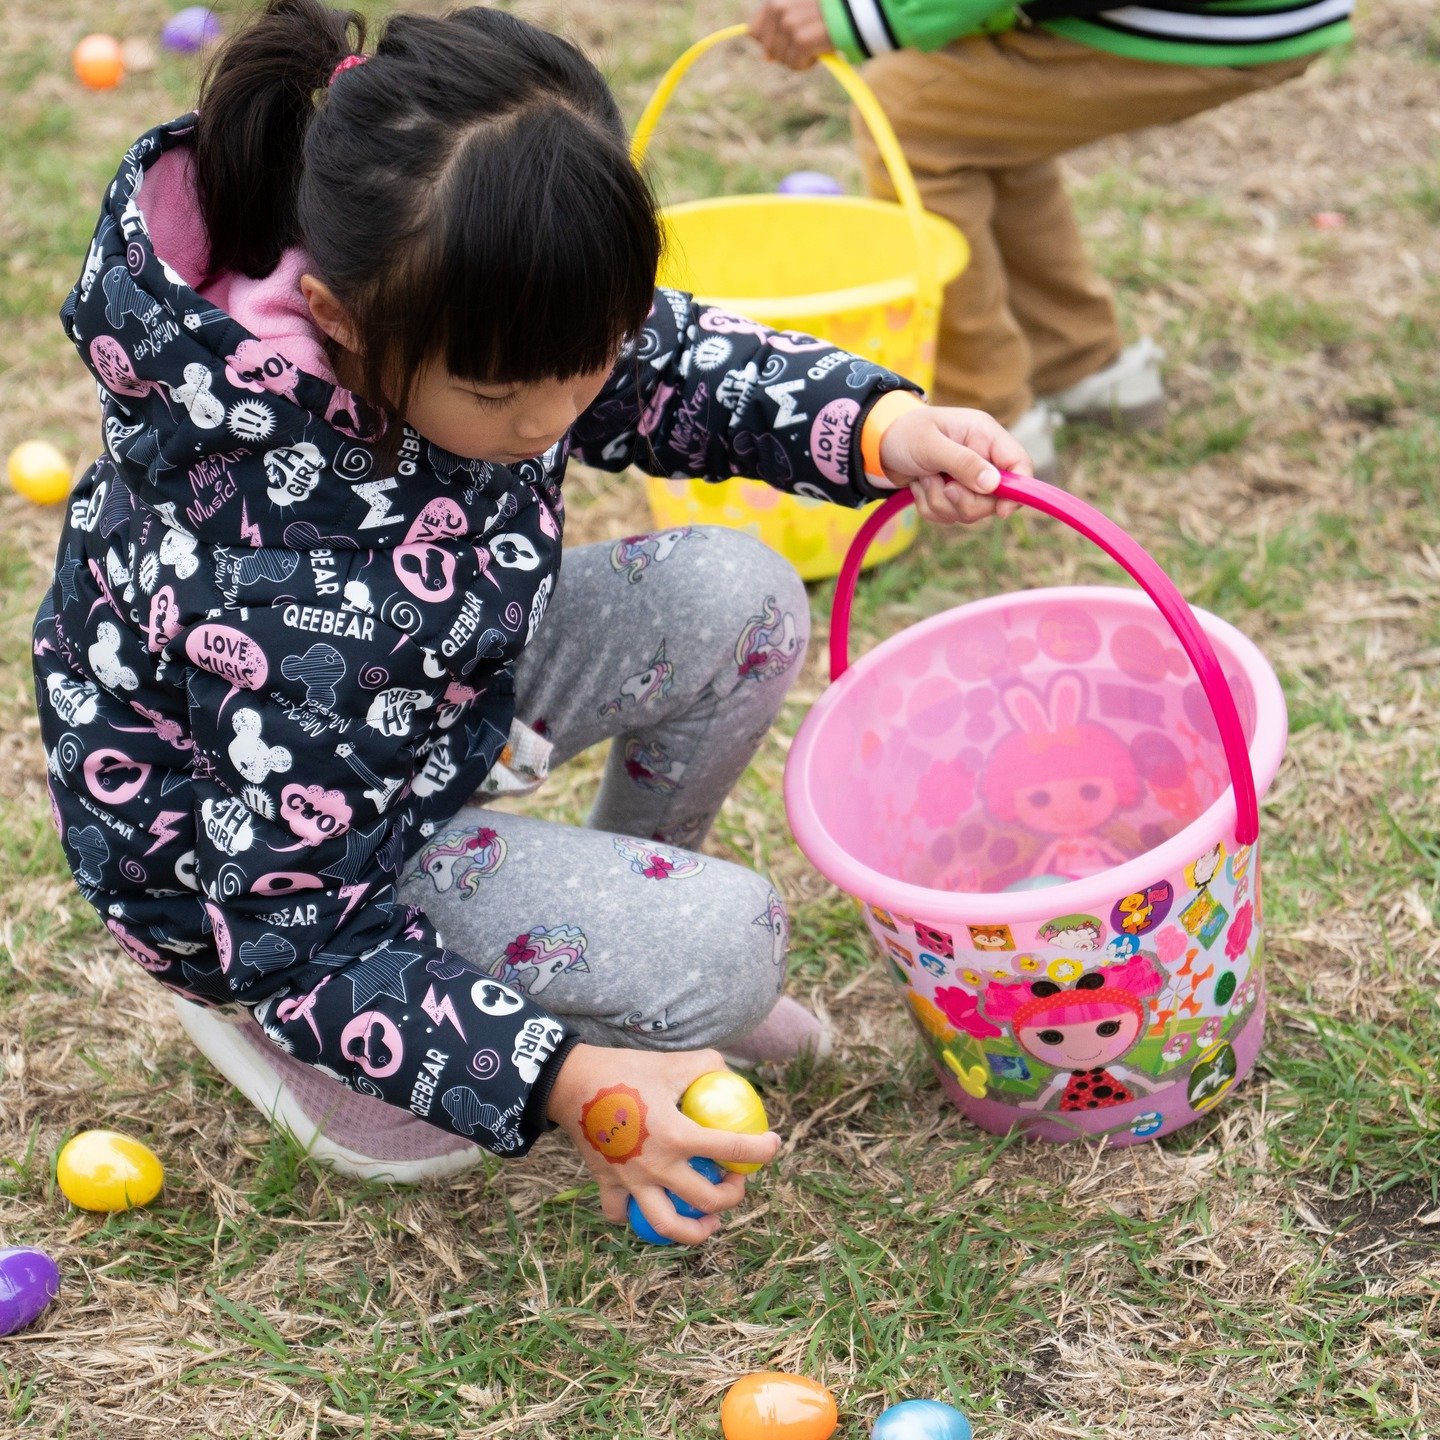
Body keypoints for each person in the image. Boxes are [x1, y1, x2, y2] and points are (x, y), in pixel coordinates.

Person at [34, 0, 1030, 1246]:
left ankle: (618, 929)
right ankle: (316, 1047)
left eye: (590, 360)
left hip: (420, 702)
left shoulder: (467, 290)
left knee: (743, 596)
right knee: (731, 944)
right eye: (505, 392)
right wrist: (565, 1082)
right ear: (340, 322)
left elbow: (671, 366)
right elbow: (296, 935)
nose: (558, 417)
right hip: (267, 891)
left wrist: (881, 427)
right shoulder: (281, 587)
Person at [749, 0, 1354, 475]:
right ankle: (1078, 360)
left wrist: (861, 12)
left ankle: (980, 415)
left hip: (1225, 15)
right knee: (975, 108)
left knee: (910, 110)